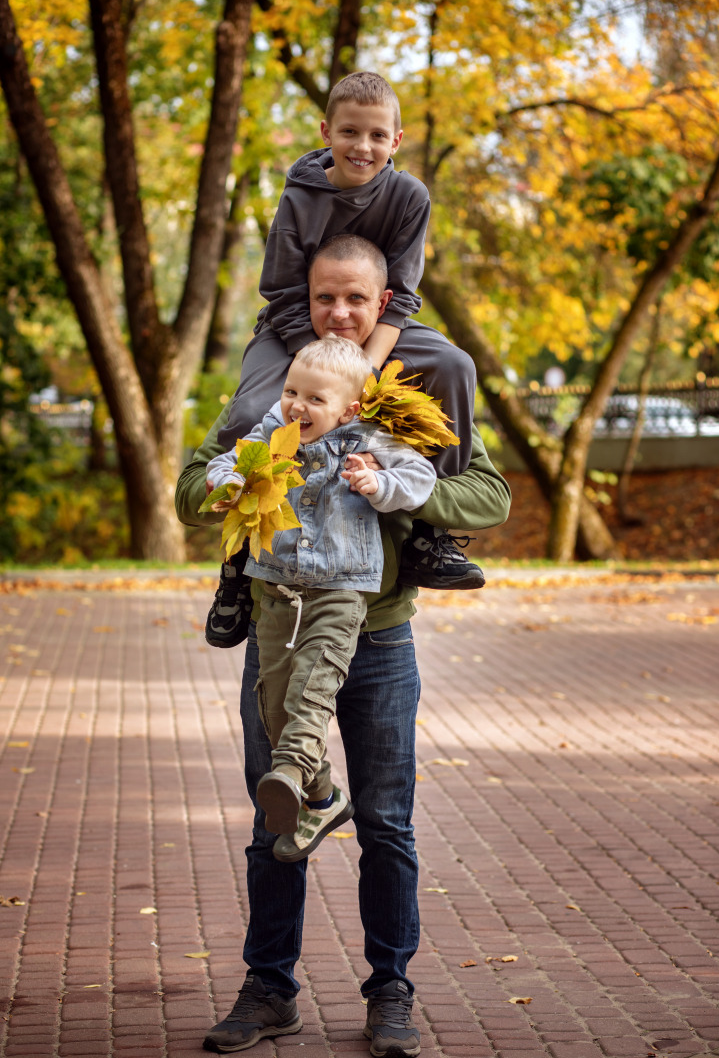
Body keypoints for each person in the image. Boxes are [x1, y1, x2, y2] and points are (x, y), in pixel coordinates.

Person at [175, 237, 512, 1058]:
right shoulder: (276, 390)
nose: (341, 312)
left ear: (384, 301)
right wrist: (250, 474)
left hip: (381, 634)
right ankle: (269, 989)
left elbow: (489, 492)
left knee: (388, 825)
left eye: (357, 299)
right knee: (274, 811)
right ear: (308, 298)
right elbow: (192, 485)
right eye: (327, 297)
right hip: (282, 626)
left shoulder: (410, 399)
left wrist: (397, 486)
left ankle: (390, 990)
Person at [204, 71, 484, 652]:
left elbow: (402, 296)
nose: (363, 146)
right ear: (326, 131)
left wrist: (361, 367)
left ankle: (432, 537)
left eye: (378, 135)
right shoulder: (300, 196)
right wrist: (322, 363)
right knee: (262, 404)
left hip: (380, 328)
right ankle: (237, 562)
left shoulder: (410, 197)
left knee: (456, 365)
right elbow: (282, 292)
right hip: (293, 328)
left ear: (397, 140)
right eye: (350, 132)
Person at [205, 335, 437, 859]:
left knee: (313, 682)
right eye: (291, 391)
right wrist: (229, 485)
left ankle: (288, 771)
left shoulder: (370, 439)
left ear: (349, 408)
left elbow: (420, 478)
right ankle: (323, 795)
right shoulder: (274, 430)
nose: (296, 406)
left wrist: (378, 485)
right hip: (276, 586)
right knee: (274, 696)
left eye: (314, 398)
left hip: (342, 587)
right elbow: (228, 462)